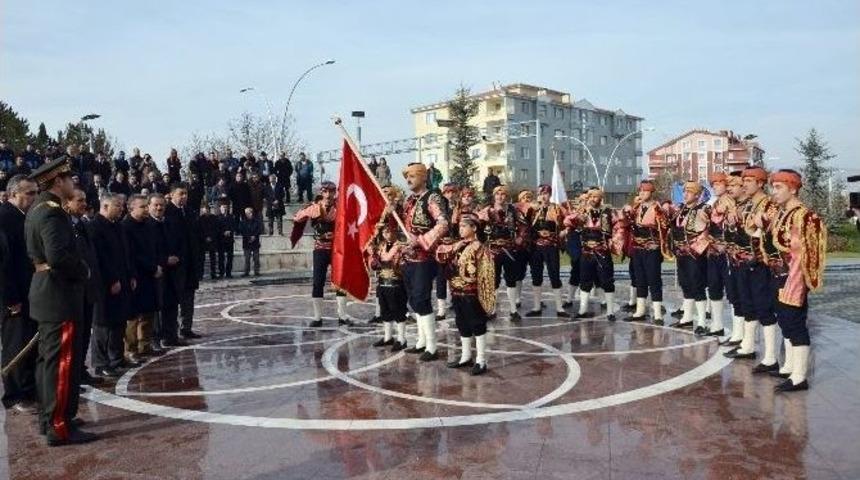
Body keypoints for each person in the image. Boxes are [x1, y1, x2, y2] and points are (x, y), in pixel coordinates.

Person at [24, 156, 98, 445]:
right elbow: (57, 257)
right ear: (58, 181)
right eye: (69, 179)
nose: (72, 184)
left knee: (50, 362)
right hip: (59, 295)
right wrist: (84, 269)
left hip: (51, 294)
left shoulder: (39, 208)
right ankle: (59, 426)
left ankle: (52, 417)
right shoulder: (52, 213)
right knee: (62, 362)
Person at [766, 169, 826, 392]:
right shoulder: (782, 213)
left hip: (794, 277)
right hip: (777, 274)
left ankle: (800, 376)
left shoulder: (804, 216)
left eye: (779, 187)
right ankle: (790, 367)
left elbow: (806, 254)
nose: (774, 192)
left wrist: (797, 282)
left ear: (793, 188)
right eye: (773, 187)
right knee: (785, 321)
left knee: (795, 322)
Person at [724, 167, 777, 367]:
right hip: (742, 260)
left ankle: (770, 356)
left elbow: (768, 229)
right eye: (743, 180)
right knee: (747, 303)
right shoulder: (747, 205)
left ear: (761, 183)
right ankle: (747, 346)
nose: (744, 184)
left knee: (763, 306)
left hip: (760, 263)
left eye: (749, 180)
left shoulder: (769, 204)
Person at [400, 163, 449, 361]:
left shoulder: (433, 197)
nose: (408, 180)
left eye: (412, 176)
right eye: (407, 176)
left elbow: (443, 223)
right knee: (413, 300)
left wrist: (421, 240)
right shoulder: (409, 201)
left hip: (425, 257)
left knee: (421, 298)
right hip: (409, 257)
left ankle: (432, 346)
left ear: (422, 177)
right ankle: (421, 341)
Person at [436, 213, 495, 375]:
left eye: (464, 226)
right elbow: (442, 258)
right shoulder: (458, 245)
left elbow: (486, 275)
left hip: (471, 293)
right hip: (456, 291)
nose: (460, 229)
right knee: (462, 323)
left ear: (474, 228)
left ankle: (481, 360)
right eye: (460, 226)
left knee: (477, 324)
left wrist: (484, 296)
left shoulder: (480, 248)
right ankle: (465, 356)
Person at [0, 175, 39, 414]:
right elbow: (3, 265)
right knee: (15, 345)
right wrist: (11, 299)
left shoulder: (24, 218)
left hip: (29, 293)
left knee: (29, 342)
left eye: (35, 192)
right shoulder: (4, 218)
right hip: (13, 298)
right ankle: (14, 395)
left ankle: (28, 389)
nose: (34, 197)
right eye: (29, 193)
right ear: (14, 194)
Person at [292, 181, 351, 326]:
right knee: (318, 283)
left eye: (331, 192)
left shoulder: (340, 208)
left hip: (336, 249)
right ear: (321, 192)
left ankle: (342, 316)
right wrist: (306, 211)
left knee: (341, 282)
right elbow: (297, 218)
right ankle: (317, 318)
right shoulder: (314, 208)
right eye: (326, 192)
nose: (329, 195)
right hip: (320, 248)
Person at [90, 194, 137, 375]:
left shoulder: (118, 226)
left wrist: (131, 275)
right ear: (105, 206)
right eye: (117, 206)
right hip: (105, 285)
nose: (121, 209)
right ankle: (101, 364)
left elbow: (127, 253)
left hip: (123, 280)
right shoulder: (95, 227)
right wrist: (111, 280)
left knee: (119, 322)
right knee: (103, 325)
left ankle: (116, 359)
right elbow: (100, 259)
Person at [564, 188, 623, 320]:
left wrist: (614, 241)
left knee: (607, 281)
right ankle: (582, 310)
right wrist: (577, 217)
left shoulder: (609, 212)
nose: (592, 199)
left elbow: (619, 228)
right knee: (585, 280)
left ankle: (610, 311)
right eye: (591, 196)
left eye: (596, 197)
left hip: (602, 252)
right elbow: (567, 221)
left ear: (600, 198)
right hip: (587, 252)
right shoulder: (582, 211)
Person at [65, 189, 104, 385]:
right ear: (67, 202)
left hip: (88, 288)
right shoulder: (64, 226)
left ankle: (80, 371)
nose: (84, 204)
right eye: (79, 200)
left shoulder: (83, 224)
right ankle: (71, 378)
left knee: (84, 333)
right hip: (74, 290)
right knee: (73, 337)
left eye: (85, 201)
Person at [477, 185, 527, 322]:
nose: (500, 197)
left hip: (509, 250)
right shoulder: (487, 211)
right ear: (494, 196)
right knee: (493, 280)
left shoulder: (513, 210)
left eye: (503, 194)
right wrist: (482, 242)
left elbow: (523, 225)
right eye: (498, 194)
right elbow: (477, 226)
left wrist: (520, 238)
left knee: (511, 279)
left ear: (507, 196)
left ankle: (513, 310)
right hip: (492, 250)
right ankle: (492, 310)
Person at [122, 194, 162, 359]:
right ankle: (130, 349)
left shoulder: (148, 225)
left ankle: (144, 345)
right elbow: (132, 254)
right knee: (134, 316)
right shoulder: (125, 227)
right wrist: (152, 268)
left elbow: (154, 248)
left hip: (151, 276)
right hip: (136, 276)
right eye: (142, 207)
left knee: (148, 312)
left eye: (147, 206)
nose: (146, 209)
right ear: (131, 208)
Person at [624, 180, 670, 323]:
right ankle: (640, 310)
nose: (642, 193)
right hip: (638, 249)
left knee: (654, 279)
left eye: (645, 191)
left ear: (651, 192)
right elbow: (627, 222)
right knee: (639, 279)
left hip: (652, 249)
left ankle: (657, 314)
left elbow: (664, 226)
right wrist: (628, 211)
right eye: (641, 191)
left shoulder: (657, 207)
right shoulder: (636, 207)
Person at [669, 181, 711, 333]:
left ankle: (701, 322)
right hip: (681, 254)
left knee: (697, 285)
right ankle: (687, 317)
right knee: (685, 284)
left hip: (695, 254)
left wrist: (697, 248)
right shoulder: (680, 209)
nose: (685, 194)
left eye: (689, 192)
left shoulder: (703, 208)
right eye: (685, 191)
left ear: (698, 195)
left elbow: (708, 230)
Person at [162, 183, 202, 345]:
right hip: (175, 265)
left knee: (188, 297)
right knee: (172, 301)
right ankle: (170, 334)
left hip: (190, 263)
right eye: (181, 194)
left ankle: (186, 327)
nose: (184, 196)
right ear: (172, 195)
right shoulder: (167, 213)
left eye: (186, 194)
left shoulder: (190, 212)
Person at [525, 185, 569, 318]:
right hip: (536, 247)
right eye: (541, 194)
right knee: (536, 275)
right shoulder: (532, 210)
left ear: (550, 195)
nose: (544, 196)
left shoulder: (557, 208)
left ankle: (560, 308)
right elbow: (524, 225)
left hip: (551, 246)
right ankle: (537, 307)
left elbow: (570, 221)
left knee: (554, 274)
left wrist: (564, 232)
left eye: (546, 194)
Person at [367, 218, 408, 351]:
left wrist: (380, 258)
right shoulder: (381, 246)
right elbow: (374, 266)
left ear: (395, 231)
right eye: (384, 232)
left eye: (389, 231)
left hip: (396, 283)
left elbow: (397, 263)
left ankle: (402, 339)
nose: (387, 234)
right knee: (385, 311)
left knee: (399, 312)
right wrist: (372, 254)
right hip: (383, 283)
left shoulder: (401, 246)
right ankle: (387, 337)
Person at [704, 173, 736, 338]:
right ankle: (717, 324)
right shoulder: (713, 203)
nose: (715, 186)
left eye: (718, 183)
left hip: (727, 253)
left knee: (732, 291)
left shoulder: (732, 203)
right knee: (714, 287)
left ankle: (738, 332)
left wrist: (725, 244)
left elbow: (733, 227)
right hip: (712, 251)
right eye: (713, 184)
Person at [146, 194, 169, 353]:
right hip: (153, 272)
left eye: (161, 205)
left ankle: (164, 335)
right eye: (156, 205)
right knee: (153, 308)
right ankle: (153, 339)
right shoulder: (147, 225)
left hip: (168, 271)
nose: (159, 208)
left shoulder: (166, 223)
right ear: (149, 206)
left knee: (164, 305)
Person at [197, 203, 220, 279]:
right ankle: (200, 274)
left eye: (207, 210)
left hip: (212, 240)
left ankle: (213, 273)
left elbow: (216, 229)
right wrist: (205, 238)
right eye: (204, 210)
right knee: (201, 259)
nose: (206, 212)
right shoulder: (200, 219)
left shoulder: (214, 218)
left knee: (213, 258)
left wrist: (211, 237)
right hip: (203, 241)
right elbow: (199, 230)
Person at [239, 207, 262, 277]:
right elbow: (242, 230)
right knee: (247, 258)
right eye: (246, 213)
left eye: (249, 213)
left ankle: (256, 271)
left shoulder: (257, 221)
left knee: (256, 258)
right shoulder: (243, 222)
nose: (248, 214)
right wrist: (249, 237)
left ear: (252, 213)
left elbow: (259, 229)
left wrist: (254, 236)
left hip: (255, 241)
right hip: (247, 241)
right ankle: (246, 271)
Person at [216, 202, 236, 278]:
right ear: (220, 209)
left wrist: (230, 231)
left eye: (225, 207)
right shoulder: (217, 218)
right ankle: (221, 272)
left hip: (230, 240)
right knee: (221, 257)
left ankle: (228, 272)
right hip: (221, 240)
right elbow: (216, 228)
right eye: (223, 207)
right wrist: (223, 232)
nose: (224, 209)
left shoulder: (231, 217)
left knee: (230, 257)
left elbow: (234, 226)